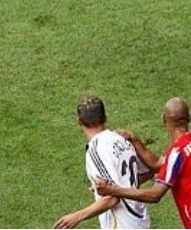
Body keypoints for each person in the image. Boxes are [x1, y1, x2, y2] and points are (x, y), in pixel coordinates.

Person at [94, 97, 191, 229]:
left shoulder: (177, 153)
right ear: (189, 117)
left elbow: (155, 195)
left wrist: (112, 190)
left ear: (163, 119)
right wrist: (134, 139)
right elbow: (158, 164)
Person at [53, 96, 151, 229]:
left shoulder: (96, 150)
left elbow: (112, 198)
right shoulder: (121, 140)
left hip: (122, 224)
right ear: (105, 117)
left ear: (78, 121)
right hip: (140, 221)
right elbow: (147, 172)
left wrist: (77, 216)